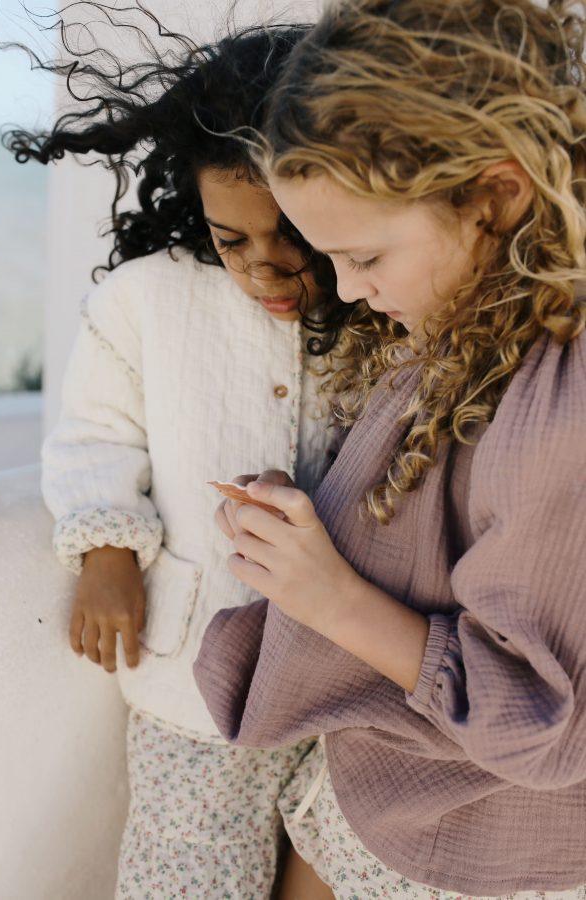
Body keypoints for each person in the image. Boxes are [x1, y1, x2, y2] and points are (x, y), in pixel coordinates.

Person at [194, 1, 586, 897]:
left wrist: (325, 594)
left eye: (365, 257)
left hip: (475, 837)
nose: (348, 290)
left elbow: (549, 722)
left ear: (497, 193)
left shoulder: (562, 404)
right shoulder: (476, 308)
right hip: (389, 785)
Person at [9, 13, 344, 898]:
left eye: (293, 239)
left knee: (338, 869)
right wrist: (109, 549)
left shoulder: (380, 299)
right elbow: (94, 432)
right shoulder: (145, 299)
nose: (264, 268)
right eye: (232, 240)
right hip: (193, 681)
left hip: (345, 681)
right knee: (188, 867)